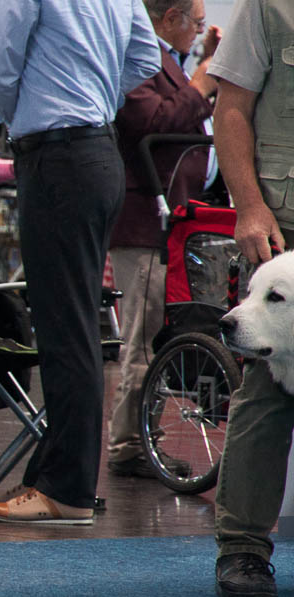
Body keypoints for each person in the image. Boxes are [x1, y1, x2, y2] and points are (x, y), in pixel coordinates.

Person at [0, 1, 162, 524]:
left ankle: (66, 488)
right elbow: (146, 57)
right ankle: (56, 478)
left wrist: (18, 106)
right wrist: (92, 94)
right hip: (99, 152)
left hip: (58, 157)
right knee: (74, 322)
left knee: (66, 328)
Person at [107, 0, 220, 479]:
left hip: (176, 219)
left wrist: (197, 68)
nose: (198, 30)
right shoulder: (136, 59)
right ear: (168, 17)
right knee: (143, 336)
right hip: (145, 221)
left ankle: (138, 438)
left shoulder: (168, 62)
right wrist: (201, 81)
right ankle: (129, 442)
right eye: (195, 23)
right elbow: (153, 122)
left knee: (156, 332)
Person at [207, 0, 294, 597]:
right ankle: (243, 548)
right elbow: (229, 108)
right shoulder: (267, 7)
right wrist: (248, 205)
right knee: (266, 391)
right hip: (282, 226)